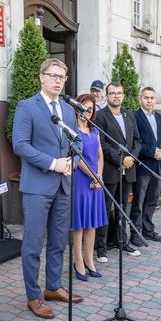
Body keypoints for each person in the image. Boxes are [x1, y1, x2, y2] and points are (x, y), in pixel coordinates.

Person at [12, 58, 82, 319]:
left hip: (63, 185)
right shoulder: (27, 107)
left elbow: (78, 144)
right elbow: (20, 145)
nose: (57, 81)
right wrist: (54, 164)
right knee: (33, 244)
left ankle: (54, 287)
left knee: (57, 242)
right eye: (52, 75)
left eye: (61, 77)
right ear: (41, 77)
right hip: (38, 186)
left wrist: (72, 163)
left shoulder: (67, 109)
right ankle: (34, 296)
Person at [94, 82, 142, 263]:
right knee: (105, 210)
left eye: (119, 93)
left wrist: (130, 159)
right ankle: (102, 248)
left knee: (123, 209)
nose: (116, 96)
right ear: (106, 96)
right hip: (110, 170)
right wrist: (120, 159)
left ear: (123, 95)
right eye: (112, 93)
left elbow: (138, 140)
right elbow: (102, 144)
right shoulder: (100, 116)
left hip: (128, 170)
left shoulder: (129, 115)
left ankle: (123, 241)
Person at [70, 94, 107, 280]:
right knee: (79, 225)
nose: (87, 112)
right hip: (81, 180)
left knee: (91, 224)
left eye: (91, 109)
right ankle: (78, 262)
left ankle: (89, 260)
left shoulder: (95, 129)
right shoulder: (72, 129)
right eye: (84, 108)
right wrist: (93, 176)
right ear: (77, 108)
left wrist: (99, 176)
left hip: (96, 181)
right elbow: (77, 158)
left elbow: (100, 154)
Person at [130, 87, 161, 246]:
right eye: (146, 97)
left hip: (157, 166)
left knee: (152, 200)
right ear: (141, 99)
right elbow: (135, 142)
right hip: (142, 166)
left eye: (152, 98)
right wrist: (152, 152)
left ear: (155, 100)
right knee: (138, 202)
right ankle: (135, 233)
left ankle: (148, 231)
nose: (149, 101)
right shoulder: (134, 117)